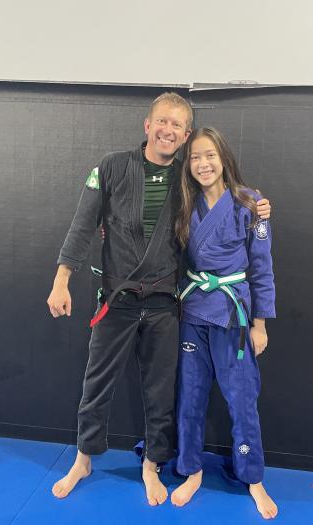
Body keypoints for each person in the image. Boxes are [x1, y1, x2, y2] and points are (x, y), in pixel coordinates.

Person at [46, 93, 271, 506]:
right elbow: (82, 225)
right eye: (162, 122)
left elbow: (225, 196)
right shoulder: (112, 167)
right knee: (96, 383)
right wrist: (62, 280)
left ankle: (152, 465)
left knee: (161, 391)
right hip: (116, 299)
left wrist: (255, 203)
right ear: (148, 125)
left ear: (185, 135)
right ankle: (83, 458)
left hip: (165, 304)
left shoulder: (187, 180)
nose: (168, 130)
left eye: (177, 126)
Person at [169, 127, 278, 519]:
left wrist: (260, 324)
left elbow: (262, 268)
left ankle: (252, 476)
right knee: (190, 395)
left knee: (242, 396)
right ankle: (191, 469)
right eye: (195, 157)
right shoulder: (184, 203)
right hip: (193, 311)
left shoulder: (251, 203)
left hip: (234, 316)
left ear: (223, 158)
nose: (203, 164)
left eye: (210, 155)